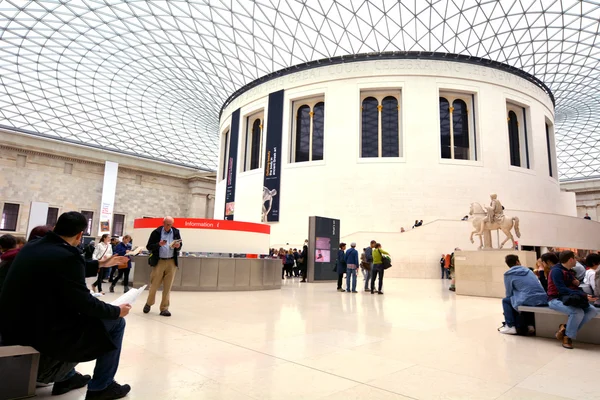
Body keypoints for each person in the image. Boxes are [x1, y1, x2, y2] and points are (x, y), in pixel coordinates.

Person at [0, 212, 132, 399]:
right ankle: (102, 387)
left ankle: (69, 377)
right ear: (80, 235)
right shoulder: (68, 255)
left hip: (13, 326)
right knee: (116, 323)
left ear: (56, 228)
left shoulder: (33, 247)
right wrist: (117, 311)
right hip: (38, 334)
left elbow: (61, 267)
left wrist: (100, 264)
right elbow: (85, 303)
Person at [547, 250, 599, 349]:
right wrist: (583, 296)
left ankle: (565, 328)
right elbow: (562, 289)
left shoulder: (569, 271)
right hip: (555, 299)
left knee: (592, 310)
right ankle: (567, 337)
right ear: (571, 259)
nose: (576, 260)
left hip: (568, 298)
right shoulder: (556, 271)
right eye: (575, 258)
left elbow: (572, 288)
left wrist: (577, 284)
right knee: (577, 312)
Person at [498, 255, 548, 335]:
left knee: (506, 301)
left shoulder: (508, 274)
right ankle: (530, 325)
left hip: (528, 299)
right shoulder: (528, 270)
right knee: (524, 298)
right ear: (517, 262)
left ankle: (510, 326)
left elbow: (508, 292)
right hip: (543, 297)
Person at [143, 216, 182, 317]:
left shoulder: (176, 232)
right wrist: (158, 244)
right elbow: (149, 246)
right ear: (163, 223)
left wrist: (178, 246)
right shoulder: (156, 232)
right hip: (159, 261)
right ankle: (149, 303)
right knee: (154, 284)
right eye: (167, 224)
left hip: (171, 262)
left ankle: (164, 308)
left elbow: (180, 245)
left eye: (171, 224)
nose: (169, 226)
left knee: (167, 287)